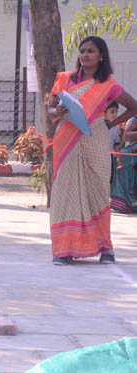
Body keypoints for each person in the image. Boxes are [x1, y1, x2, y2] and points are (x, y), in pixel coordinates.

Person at [47, 36, 137, 265]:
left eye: (91, 51)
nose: (85, 55)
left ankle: (105, 247)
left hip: (94, 137)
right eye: (82, 51)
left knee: (97, 191)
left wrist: (107, 125)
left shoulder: (108, 85)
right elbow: (50, 110)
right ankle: (64, 250)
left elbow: (133, 106)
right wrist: (56, 110)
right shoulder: (65, 79)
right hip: (66, 138)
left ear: (101, 56)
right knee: (65, 193)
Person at [111, 116, 137, 213]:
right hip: (133, 150)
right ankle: (125, 202)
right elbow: (126, 136)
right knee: (121, 159)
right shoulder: (136, 117)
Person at [104, 101, 122, 183]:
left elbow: (116, 145)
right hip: (97, 155)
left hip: (109, 157)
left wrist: (119, 161)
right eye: (112, 112)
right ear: (104, 113)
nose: (115, 115)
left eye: (116, 112)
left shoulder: (115, 128)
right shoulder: (98, 126)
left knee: (108, 179)